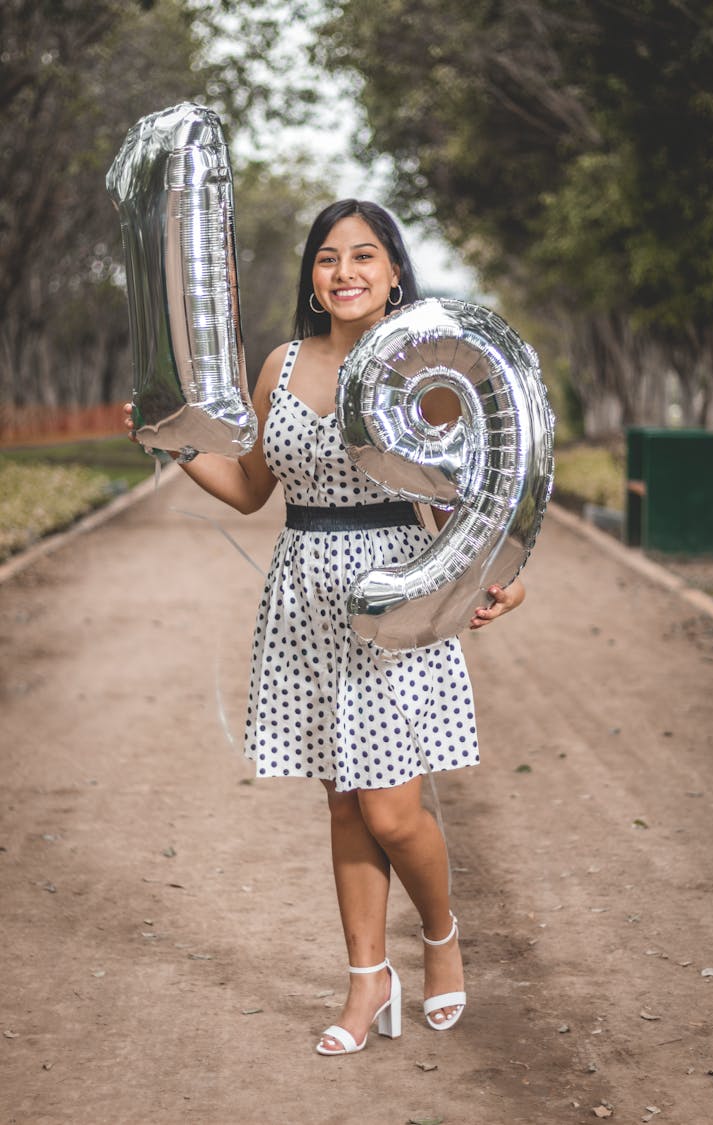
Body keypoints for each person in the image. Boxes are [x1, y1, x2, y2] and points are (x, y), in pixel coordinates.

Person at [125, 198, 525, 1055]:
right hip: (303, 596)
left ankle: (442, 938)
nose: (344, 272)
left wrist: (500, 580)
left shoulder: (423, 370)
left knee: (390, 811)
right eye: (327, 258)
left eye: (364, 256)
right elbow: (251, 489)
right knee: (344, 802)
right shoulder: (280, 365)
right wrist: (176, 440)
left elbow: (483, 491)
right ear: (313, 276)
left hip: (392, 599)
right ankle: (365, 985)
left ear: (392, 274)